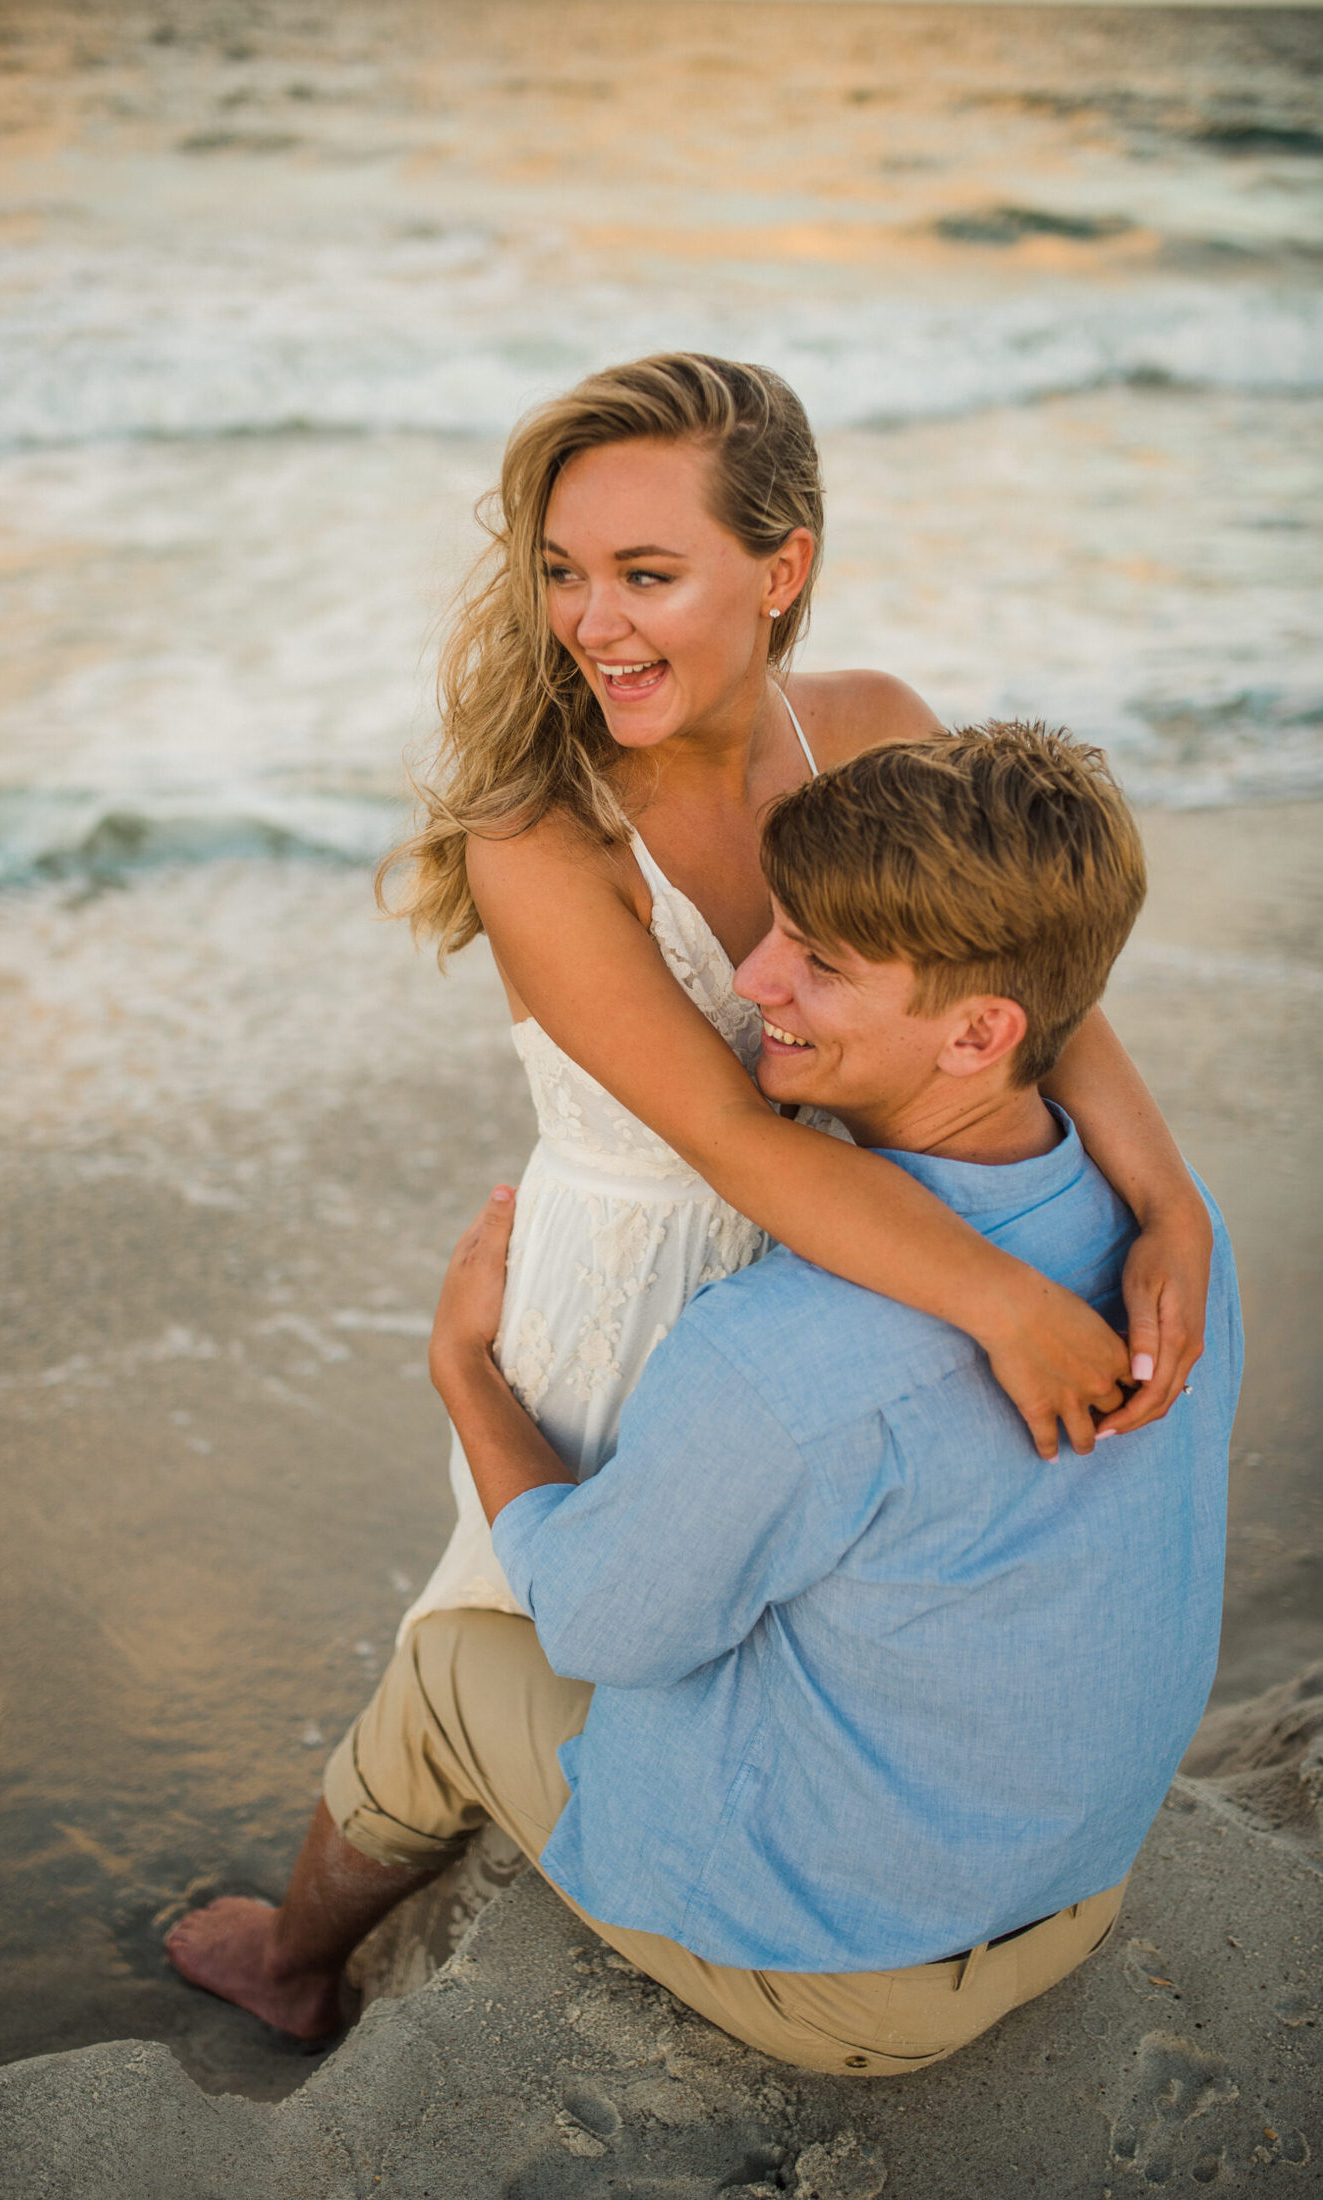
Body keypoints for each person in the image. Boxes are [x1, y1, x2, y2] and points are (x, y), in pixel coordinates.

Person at [165, 724, 1240, 2072]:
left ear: (979, 1030)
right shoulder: (1168, 1255)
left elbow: (602, 1630)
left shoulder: (781, 1354)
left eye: (818, 964)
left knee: (450, 1664)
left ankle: (284, 1966)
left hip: (864, 1983)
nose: (750, 980)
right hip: (1074, 1882)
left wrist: (464, 1373)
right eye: (772, 930)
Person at [384, 352, 1211, 1642]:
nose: (591, 622)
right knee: (536, 1637)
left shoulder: (875, 721)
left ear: (782, 570)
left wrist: (1173, 1209)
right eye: (563, 573)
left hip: (862, 1280)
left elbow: (1034, 991)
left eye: (645, 575)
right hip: (639, 1308)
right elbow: (736, 1136)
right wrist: (1004, 1299)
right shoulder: (544, 837)